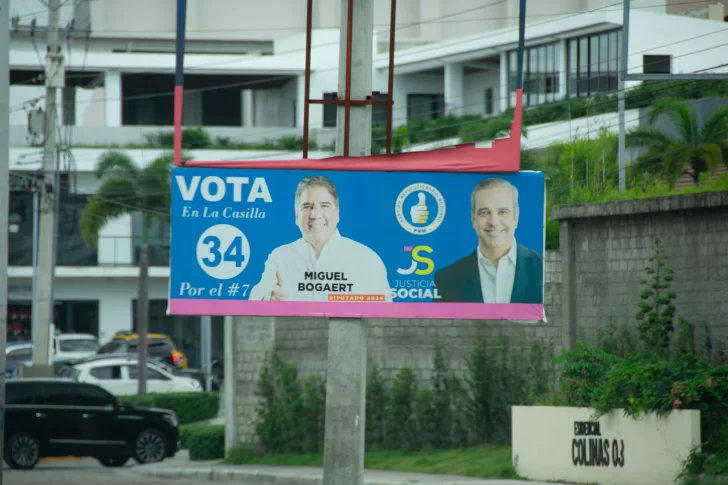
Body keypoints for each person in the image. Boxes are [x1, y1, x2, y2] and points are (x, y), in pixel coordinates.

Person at [249, 175, 392, 302]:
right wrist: (268, 297)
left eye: (324, 206)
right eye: (307, 206)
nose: (315, 214)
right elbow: (255, 297)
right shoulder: (280, 256)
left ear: (337, 214)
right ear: (296, 216)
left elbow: (384, 315)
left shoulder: (366, 259)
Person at [433, 178, 543, 304]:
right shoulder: (446, 279)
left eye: (502, 212)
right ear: (473, 219)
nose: (493, 222)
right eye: (484, 213)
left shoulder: (542, 268)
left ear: (516, 217)